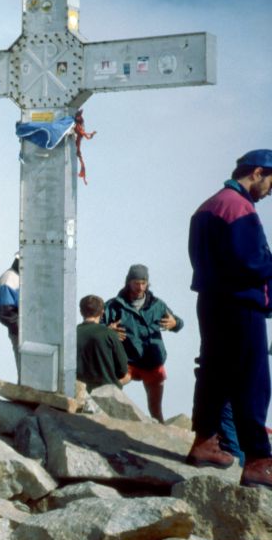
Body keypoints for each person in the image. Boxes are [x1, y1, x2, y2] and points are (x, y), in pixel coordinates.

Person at [185, 149, 272, 488]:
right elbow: (252, 263)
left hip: (212, 301)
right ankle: (259, 461)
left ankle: (204, 442)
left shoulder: (208, 205)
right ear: (258, 172)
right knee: (251, 381)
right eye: (271, 182)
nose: (270, 191)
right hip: (241, 306)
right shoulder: (239, 207)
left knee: (214, 374)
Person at [103, 264, 182, 422]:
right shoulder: (114, 305)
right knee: (109, 388)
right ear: (128, 282)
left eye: (143, 283)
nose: (140, 287)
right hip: (127, 361)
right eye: (136, 283)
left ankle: (161, 435)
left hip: (152, 362)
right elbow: (98, 328)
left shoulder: (157, 305)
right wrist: (108, 330)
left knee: (156, 412)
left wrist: (175, 324)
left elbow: (178, 323)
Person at [76, 294, 131, 391]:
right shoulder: (110, 334)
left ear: (81, 312)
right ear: (102, 313)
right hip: (105, 393)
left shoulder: (70, 334)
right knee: (129, 375)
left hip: (79, 391)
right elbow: (122, 370)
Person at [0, 254, 21, 377]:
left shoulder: (27, 277)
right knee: (27, 372)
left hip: (34, 331)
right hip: (21, 333)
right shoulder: (9, 279)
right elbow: (4, 311)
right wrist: (23, 329)